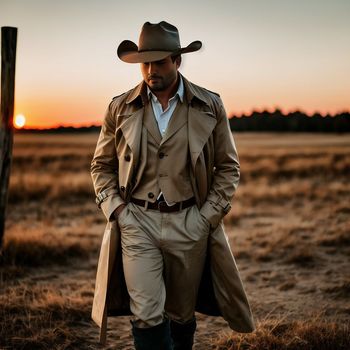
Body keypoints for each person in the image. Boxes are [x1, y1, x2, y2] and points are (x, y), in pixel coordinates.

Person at [91, 21, 254, 349]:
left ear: (178, 61)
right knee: (147, 314)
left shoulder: (210, 105)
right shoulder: (119, 107)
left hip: (189, 221)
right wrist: (118, 210)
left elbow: (228, 168)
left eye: (160, 61)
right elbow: (101, 166)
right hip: (137, 221)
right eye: (145, 63)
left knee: (181, 314)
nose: (151, 70)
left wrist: (205, 218)